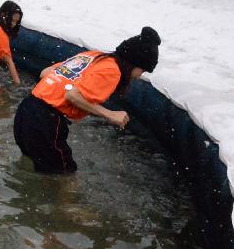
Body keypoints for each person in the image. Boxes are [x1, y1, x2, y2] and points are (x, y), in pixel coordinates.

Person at [13, 27, 161, 174]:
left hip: (26, 110)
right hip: (45, 121)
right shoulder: (112, 71)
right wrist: (109, 114)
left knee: (33, 163)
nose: (138, 76)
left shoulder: (93, 56)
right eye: (142, 70)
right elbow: (72, 95)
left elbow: (44, 73)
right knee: (67, 176)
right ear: (134, 63)